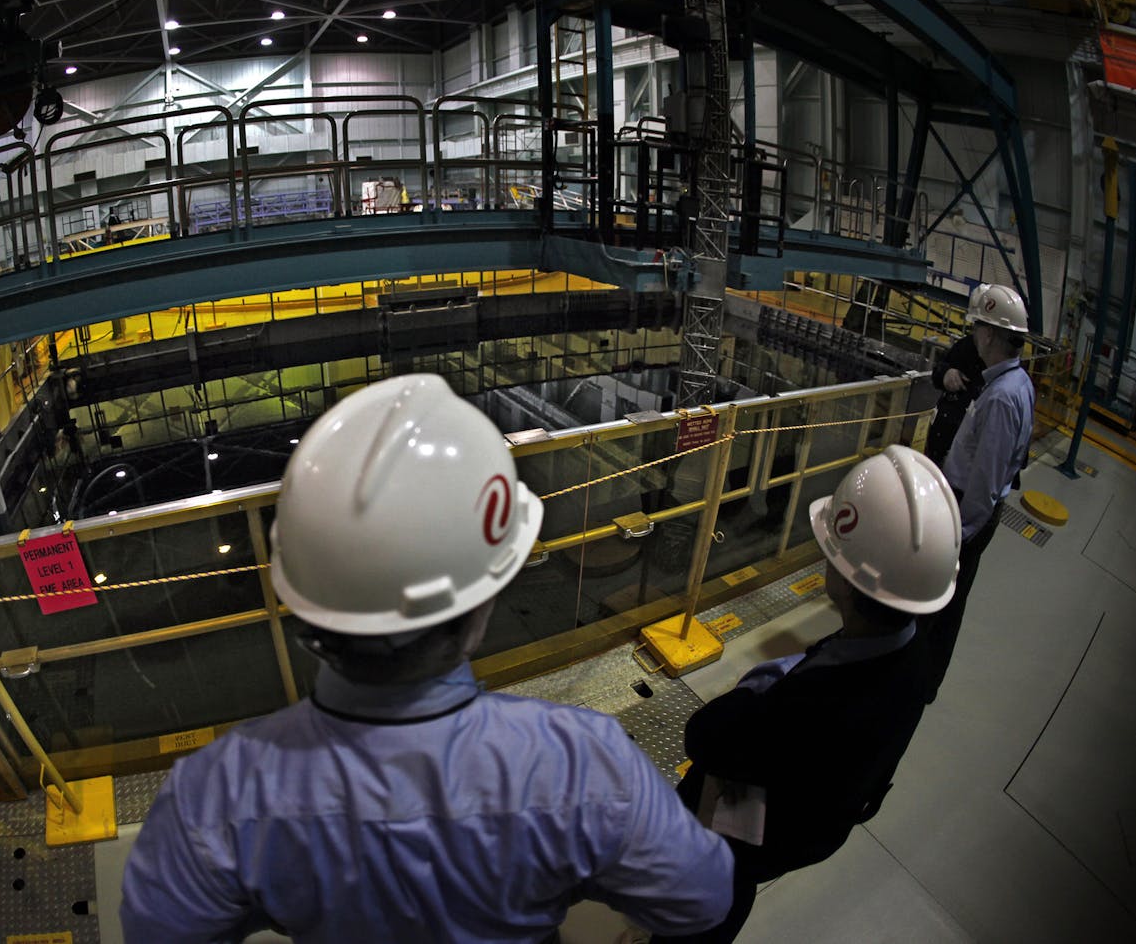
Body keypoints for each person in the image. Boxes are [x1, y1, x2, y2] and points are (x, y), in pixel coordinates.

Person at [120, 374, 735, 943]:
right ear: (485, 590)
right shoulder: (584, 767)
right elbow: (701, 899)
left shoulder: (213, 797)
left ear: (299, 595)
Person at [662, 445, 961, 944]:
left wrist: (758, 687)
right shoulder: (913, 663)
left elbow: (705, 736)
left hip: (730, 854)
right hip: (793, 837)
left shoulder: (812, 707)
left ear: (847, 579)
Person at [920, 282, 1035, 703]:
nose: (973, 336)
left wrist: (957, 539)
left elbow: (984, 482)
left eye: (978, 329)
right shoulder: (1015, 383)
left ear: (988, 333)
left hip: (965, 516)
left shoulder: (1002, 398)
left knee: (942, 608)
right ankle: (923, 679)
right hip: (967, 510)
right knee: (945, 606)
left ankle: (922, 683)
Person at [924, 332, 985, 468]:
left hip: (964, 460)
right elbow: (939, 370)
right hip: (941, 438)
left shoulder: (1000, 373)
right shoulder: (967, 345)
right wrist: (945, 373)